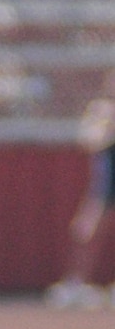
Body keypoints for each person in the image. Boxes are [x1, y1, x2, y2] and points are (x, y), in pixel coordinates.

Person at [48, 72, 115, 308]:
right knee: (88, 230)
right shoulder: (101, 111)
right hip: (106, 182)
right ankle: (75, 283)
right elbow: (89, 140)